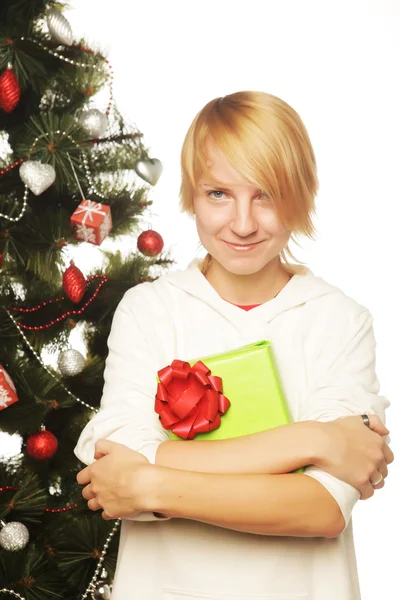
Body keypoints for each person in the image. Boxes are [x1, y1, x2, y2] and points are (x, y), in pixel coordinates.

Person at [74, 91, 394, 600]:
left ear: (301, 194)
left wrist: (152, 482)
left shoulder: (339, 321)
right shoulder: (149, 311)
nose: (243, 224)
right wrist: (313, 440)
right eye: (218, 193)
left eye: (265, 194)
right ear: (191, 195)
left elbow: (321, 509)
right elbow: (116, 471)